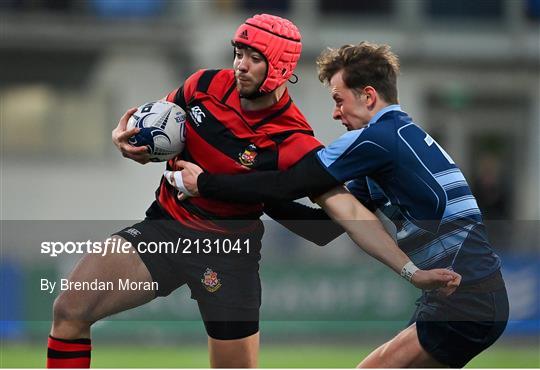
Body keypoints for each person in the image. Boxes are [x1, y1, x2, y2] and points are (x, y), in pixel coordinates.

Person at [46, 16, 455, 368]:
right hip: (164, 230)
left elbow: (346, 214)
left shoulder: (292, 139)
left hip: (229, 257)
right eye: (238, 53)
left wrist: (411, 271)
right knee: (69, 309)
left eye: (254, 58)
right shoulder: (202, 85)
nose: (240, 65)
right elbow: (156, 127)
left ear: (279, 67)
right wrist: (126, 139)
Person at [173, 42, 509, 368]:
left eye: (338, 100)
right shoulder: (395, 141)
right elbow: (325, 229)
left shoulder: (374, 140)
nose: (335, 113)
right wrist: (253, 200)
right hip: (464, 296)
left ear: (368, 96)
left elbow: (292, 182)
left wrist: (208, 183)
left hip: (466, 298)